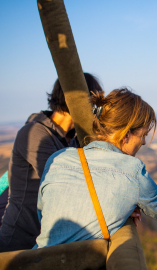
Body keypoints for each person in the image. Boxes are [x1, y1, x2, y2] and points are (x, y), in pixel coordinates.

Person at [35, 88, 157, 248]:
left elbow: (43, 213)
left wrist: (115, 207)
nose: (143, 142)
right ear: (126, 134)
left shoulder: (58, 158)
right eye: (143, 135)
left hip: (36, 258)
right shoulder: (132, 170)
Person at [0, 73, 103, 252]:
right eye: (93, 103)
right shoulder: (34, 133)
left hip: (46, 242)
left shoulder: (72, 138)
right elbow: (66, 185)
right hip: (19, 242)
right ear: (79, 100)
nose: (95, 110)